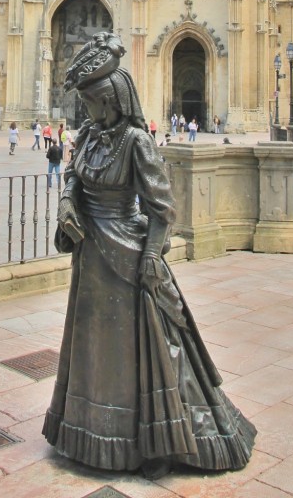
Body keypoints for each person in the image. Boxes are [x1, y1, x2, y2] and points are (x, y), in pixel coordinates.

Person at [43, 32, 255, 479]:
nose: (87, 110)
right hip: (93, 258)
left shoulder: (136, 142)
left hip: (128, 254)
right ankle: (88, 428)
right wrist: (67, 205)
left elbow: (163, 209)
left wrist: (152, 258)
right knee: (97, 346)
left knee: (146, 349)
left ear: (112, 99)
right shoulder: (90, 136)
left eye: (92, 102)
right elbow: (74, 181)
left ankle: (155, 440)